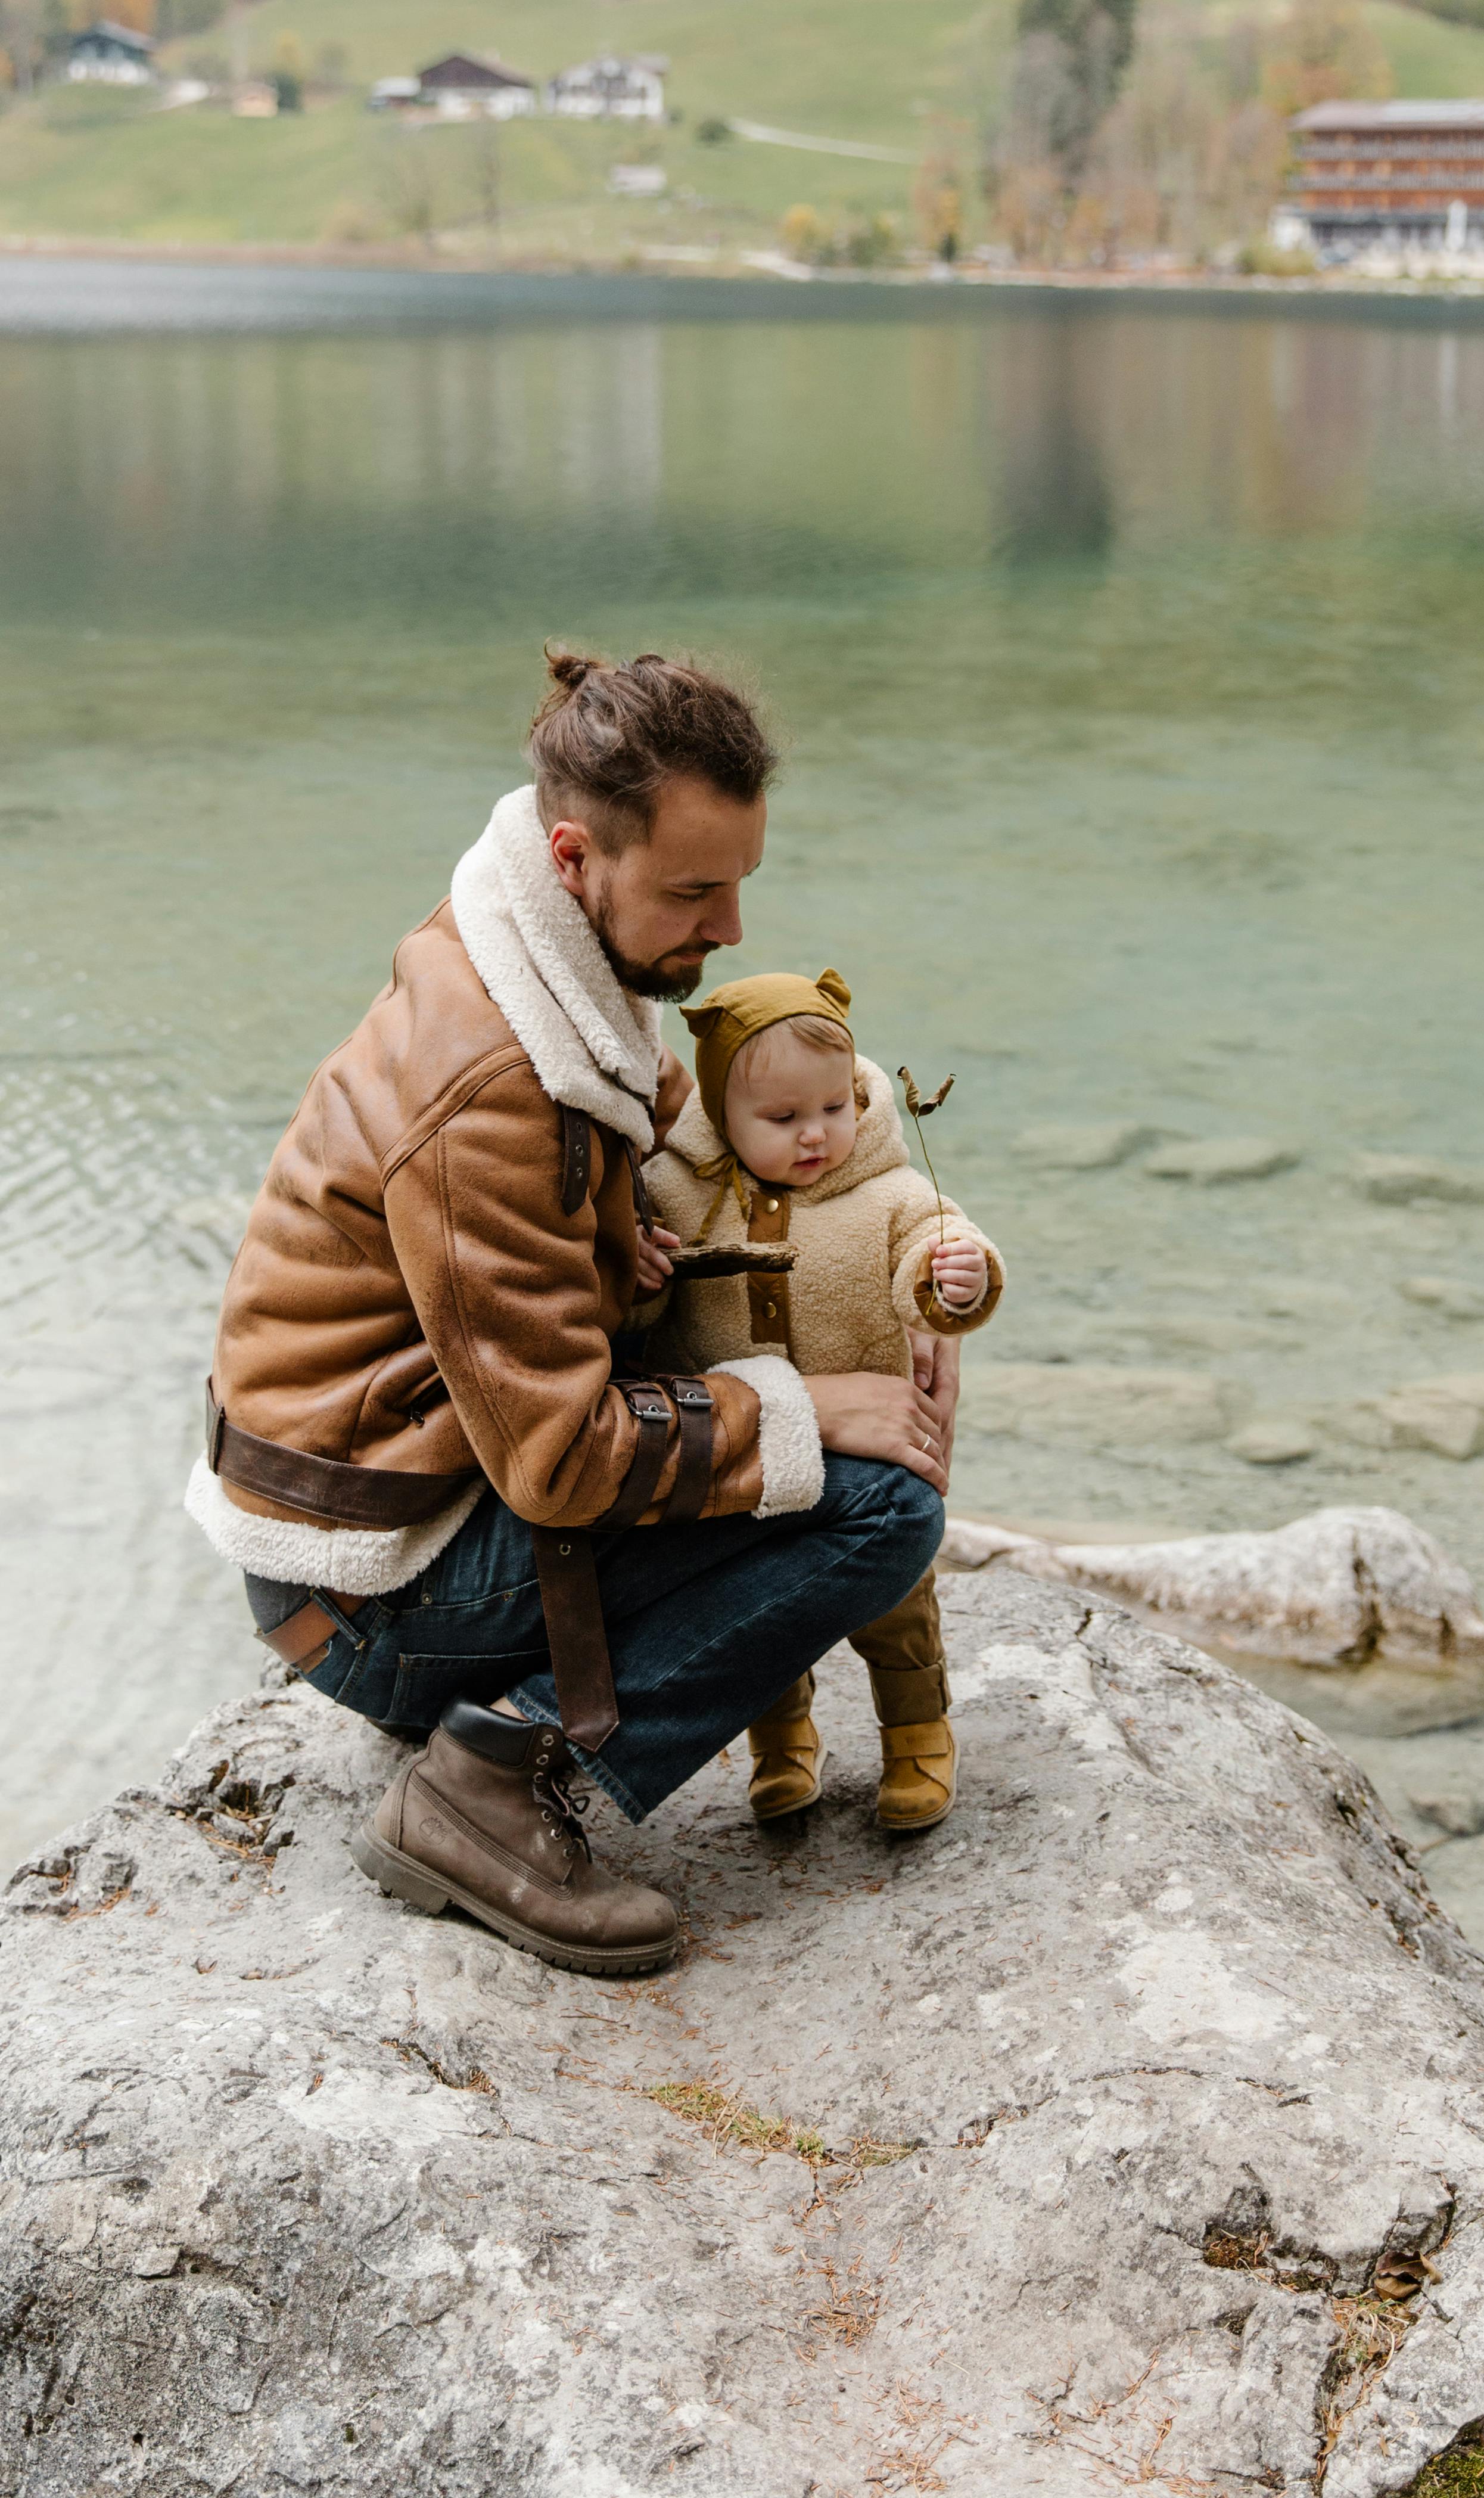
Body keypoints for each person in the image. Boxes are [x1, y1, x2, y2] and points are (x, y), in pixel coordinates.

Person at [185, 646, 951, 1980]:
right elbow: (560, 1459)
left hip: (379, 1493)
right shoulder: (494, 1088)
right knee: (885, 1509)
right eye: (694, 892)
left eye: (740, 886)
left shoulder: (518, 953)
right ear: (574, 856)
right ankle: (488, 1781)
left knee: (813, 1432)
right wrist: (809, 1404)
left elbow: (654, 1126)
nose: (728, 932)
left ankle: (491, 1724)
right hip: (367, 1590)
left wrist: (888, 1257)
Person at [633, 967, 1003, 1832]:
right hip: (746, 1448)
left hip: (869, 1448)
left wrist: (958, 1278)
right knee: (762, 1603)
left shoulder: (886, 1191)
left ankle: (916, 1735)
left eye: (834, 1109)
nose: (816, 1135)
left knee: (893, 1605)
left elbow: (929, 1259)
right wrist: (640, 1275)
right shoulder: (677, 1193)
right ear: (721, 1114)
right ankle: (781, 1741)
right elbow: (645, 1317)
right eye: (783, 1118)